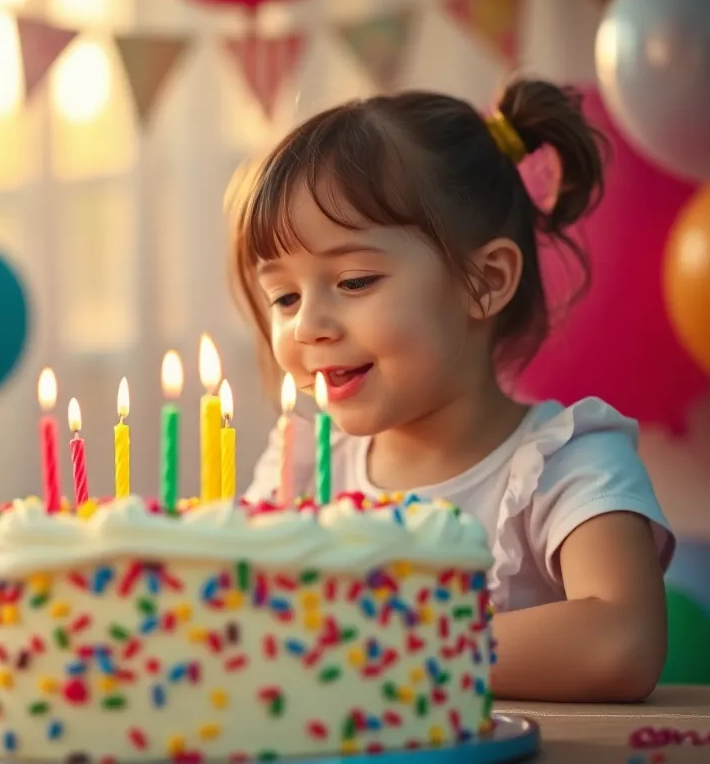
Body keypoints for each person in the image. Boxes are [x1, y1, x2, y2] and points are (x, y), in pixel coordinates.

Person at [232, 78, 674, 703]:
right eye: (284, 296)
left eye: (354, 280)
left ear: (484, 282)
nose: (306, 326)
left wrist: (372, 653)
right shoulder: (301, 465)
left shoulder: (566, 462)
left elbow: (622, 641)